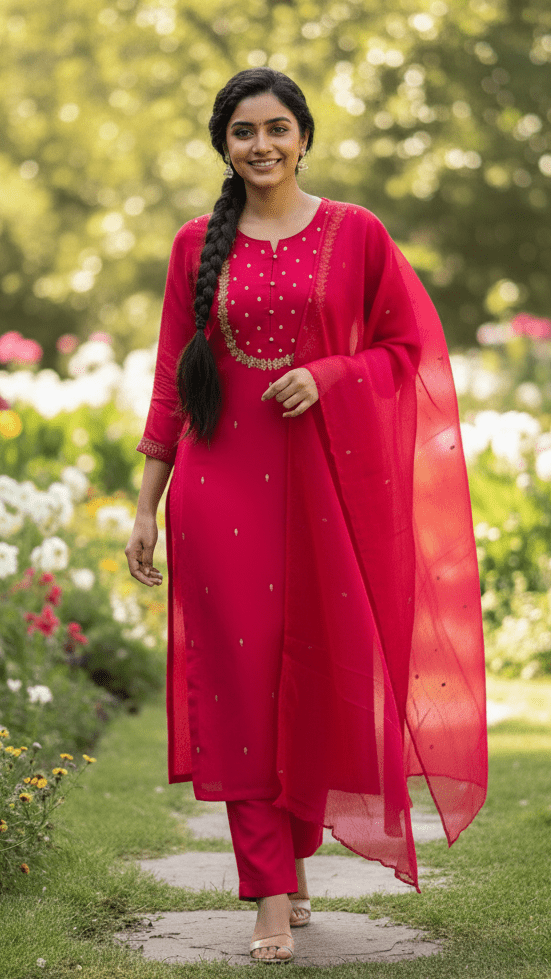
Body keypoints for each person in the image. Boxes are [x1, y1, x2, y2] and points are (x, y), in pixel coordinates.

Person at [125, 67, 487, 963]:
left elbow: (409, 347)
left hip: (319, 493)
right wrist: (145, 508)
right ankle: (269, 896)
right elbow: (173, 377)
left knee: (317, 677)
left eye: (277, 128)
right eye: (243, 132)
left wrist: (328, 376)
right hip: (219, 495)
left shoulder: (355, 233)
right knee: (243, 687)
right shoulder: (190, 246)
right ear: (224, 145)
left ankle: (293, 855)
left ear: (304, 136)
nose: (262, 145)